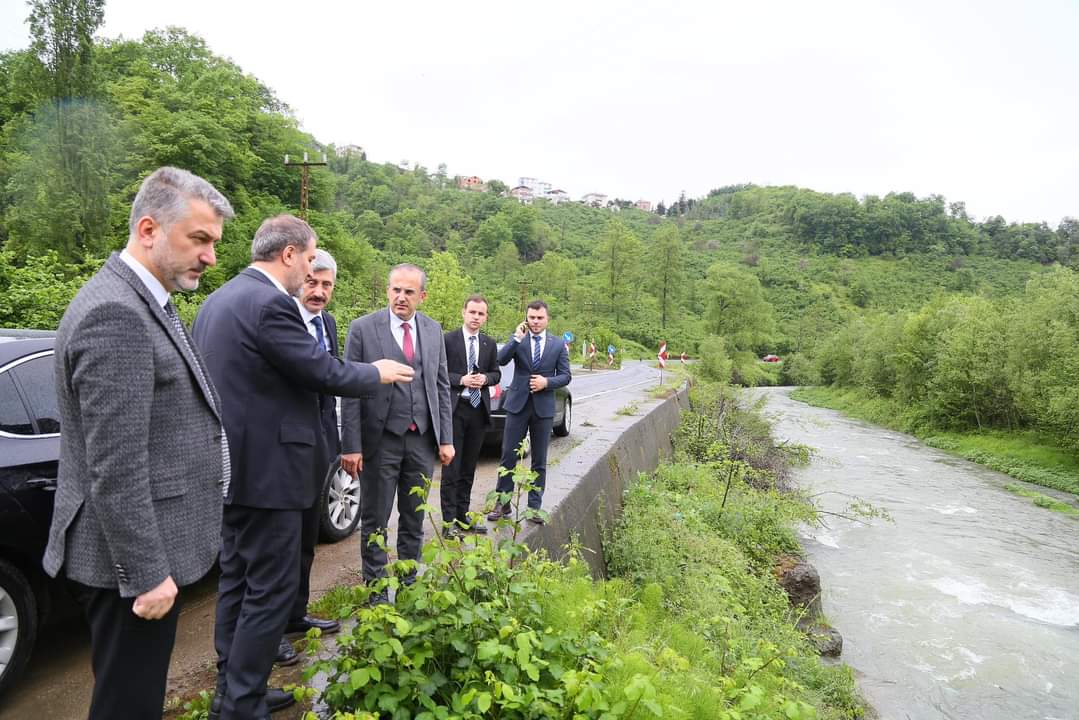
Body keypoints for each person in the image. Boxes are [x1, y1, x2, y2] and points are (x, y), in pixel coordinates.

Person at [192, 215, 414, 720]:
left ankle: (233, 688)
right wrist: (374, 372)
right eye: (311, 259)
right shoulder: (270, 303)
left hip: (235, 470)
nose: (312, 271)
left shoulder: (219, 300)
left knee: (238, 582)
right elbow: (320, 370)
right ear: (290, 254)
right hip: (270, 474)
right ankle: (241, 704)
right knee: (269, 591)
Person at [42, 166, 234, 720]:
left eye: (214, 243)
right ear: (149, 229)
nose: (211, 257)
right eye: (199, 239)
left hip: (140, 555)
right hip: (129, 566)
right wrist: (148, 573)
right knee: (128, 706)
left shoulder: (143, 298)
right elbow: (115, 468)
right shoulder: (116, 314)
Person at [339, 263, 454, 595]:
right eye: (396, 290)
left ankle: (408, 588)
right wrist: (352, 445)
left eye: (409, 292)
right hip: (380, 441)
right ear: (388, 290)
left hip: (421, 441)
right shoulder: (362, 329)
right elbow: (350, 391)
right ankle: (376, 594)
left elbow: (441, 386)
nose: (401, 297)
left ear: (422, 296)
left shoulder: (433, 331)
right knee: (375, 520)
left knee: (414, 519)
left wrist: (445, 439)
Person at [272, 248, 343, 668]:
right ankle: (274, 631)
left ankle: (296, 614)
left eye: (326, 285)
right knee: (279, 546)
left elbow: (329, 379)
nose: (317, 292)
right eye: (312, 282)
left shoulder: (328, 323)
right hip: (284, 448)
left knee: (305, 539)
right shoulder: (281, 321)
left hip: (319, 444)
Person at [488, 300, 571, 522]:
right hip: (517, 405)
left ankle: (534, 507)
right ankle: (502, 503)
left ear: (547, 319)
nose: (535, 322)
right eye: (532, 318)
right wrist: (516, 338)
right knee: (508, 455)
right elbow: (501, 359)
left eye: (540, 318)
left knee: (539, 459)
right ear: (527, 318)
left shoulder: (557, 344)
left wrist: (547, 382)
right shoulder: (520, 339)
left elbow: (566, 375)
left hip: (543, 408)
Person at [440, 295, 501, 536]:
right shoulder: (448, 340)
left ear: (485, 317)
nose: (476, 317)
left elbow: (496, 373)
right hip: (455, 410)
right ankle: (448, 523)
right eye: (472, 312)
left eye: (481, 314)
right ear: (463, 312)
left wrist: (485, 379)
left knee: (468, 468)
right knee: (451, 468)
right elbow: (440, 371)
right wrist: (461, 380)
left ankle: (462, 517)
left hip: (478, 410)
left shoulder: (489, 344)